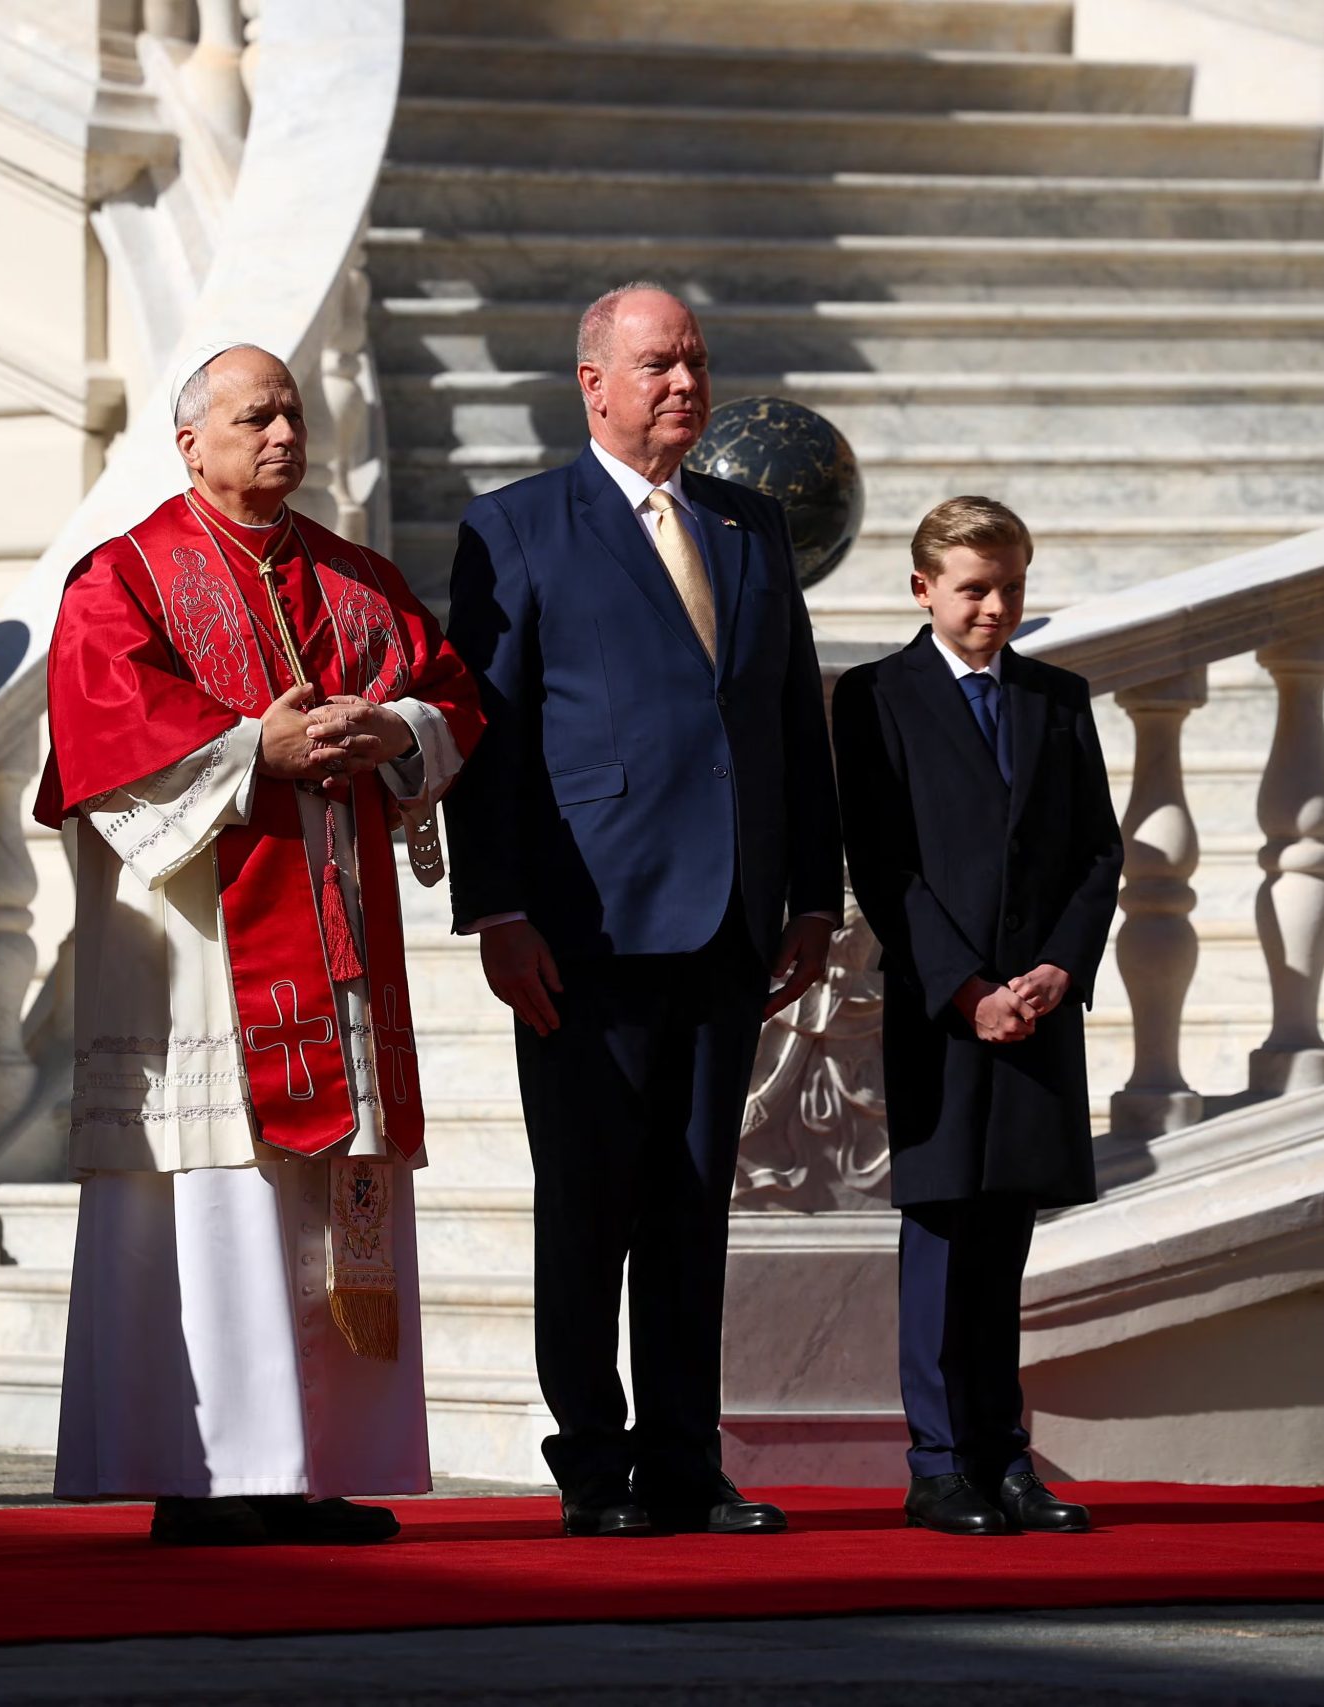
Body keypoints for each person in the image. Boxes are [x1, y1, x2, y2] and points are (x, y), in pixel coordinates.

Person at [36, 341, 484, 1546]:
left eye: (291, 412)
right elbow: (103, 727)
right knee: (222, 1202)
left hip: (333, 949)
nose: (282, 433)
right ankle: (209, 1472)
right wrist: (256, 753)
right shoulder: (122, 575)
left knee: (320, 1205)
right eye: (253, 417)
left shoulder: (356, 577)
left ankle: (315, 1468)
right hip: (198, 956)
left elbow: (450, 698)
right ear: (190, 442)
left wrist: (386, 728)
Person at [443, 284, 842, 1538]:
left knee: (691, 1203)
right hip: (586, 931)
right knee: (590, 1205)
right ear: (594, 384)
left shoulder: (749, 527)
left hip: (728, 920)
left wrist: (814, 896)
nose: (684, 385)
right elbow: (486, 741)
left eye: (696, 363)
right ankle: (593, 1467)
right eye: (657, 364)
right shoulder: (514, 529)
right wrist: (497, 911)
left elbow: (788, 721)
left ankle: (683, 1459)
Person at [831, 497, 1119, 1537]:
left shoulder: (1057, 698)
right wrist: (966, 988)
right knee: (945, 1231)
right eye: (973, 588)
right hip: (944, 1012)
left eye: (1010, 587)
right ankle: (939, 1461)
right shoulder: (877, 699)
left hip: (1039, 1012)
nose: (995, 607)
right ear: (923, 590)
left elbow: (1098, 852)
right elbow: (884, 866)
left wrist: (1054, 969)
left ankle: (1004, 1457)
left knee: (1007, 1241)